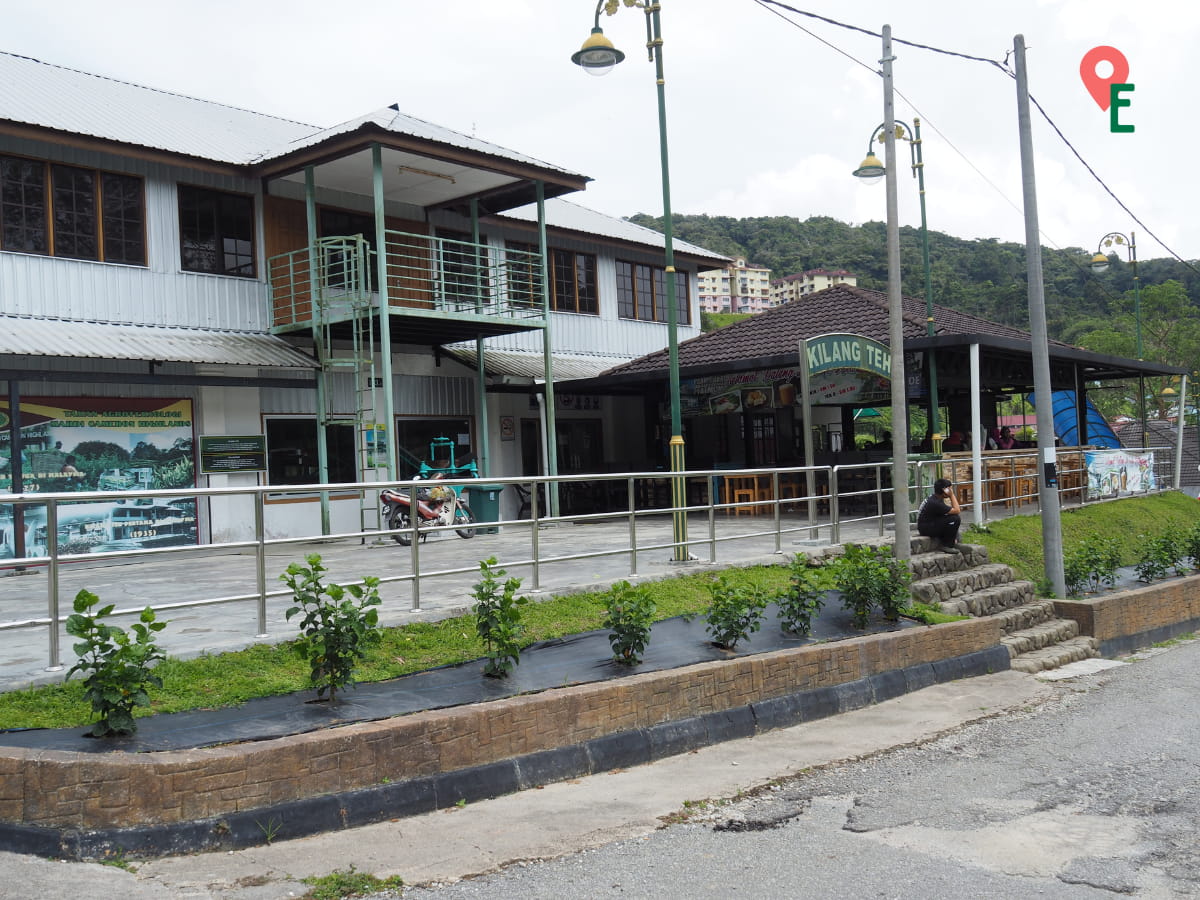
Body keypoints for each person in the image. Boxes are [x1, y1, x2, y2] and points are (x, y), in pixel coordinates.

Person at [917, 478, 962, 553]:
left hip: (928, 524)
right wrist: (952, 495)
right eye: (949, 489)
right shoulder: (935, 502)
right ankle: (947, 545)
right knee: (955, 519)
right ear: (944, 490)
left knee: (952, 518)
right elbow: (957, 510)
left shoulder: (936, 498)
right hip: (925, 529)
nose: (951, 491)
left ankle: (950, 541)